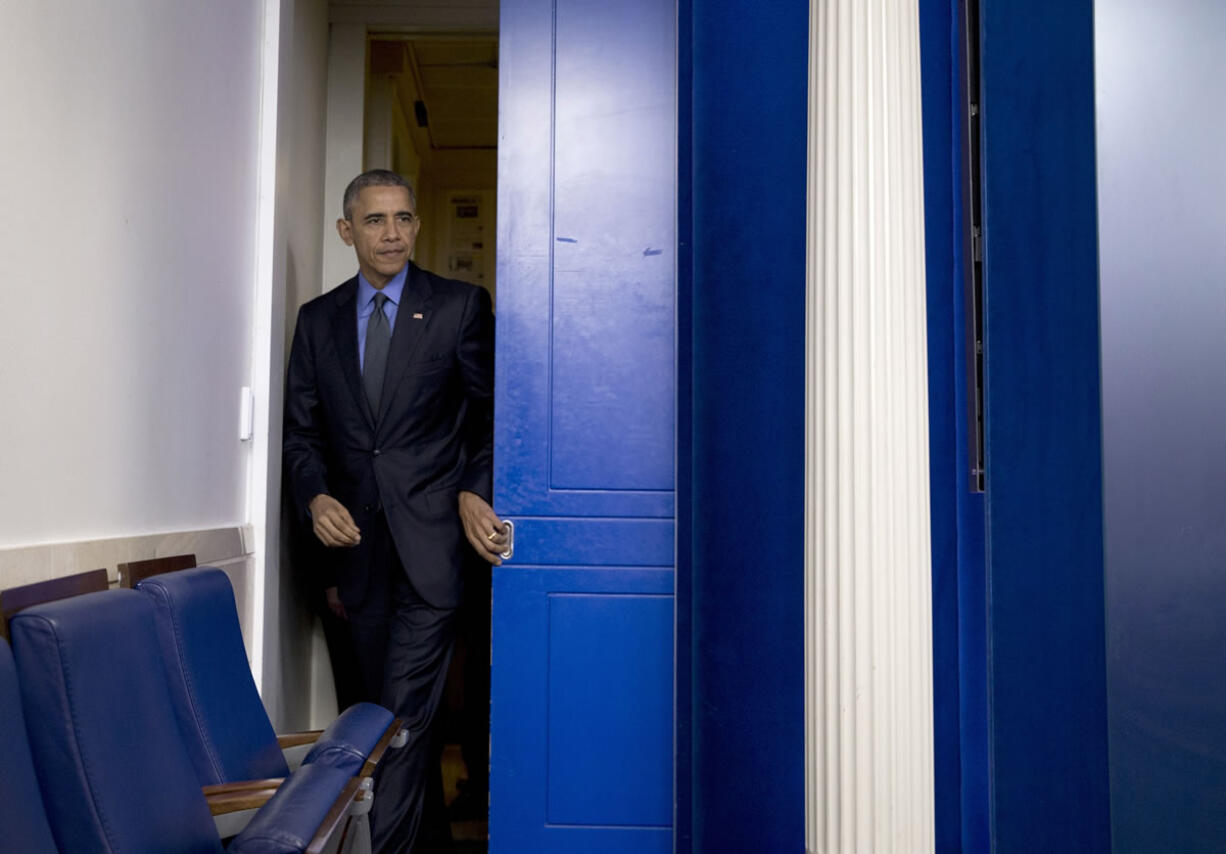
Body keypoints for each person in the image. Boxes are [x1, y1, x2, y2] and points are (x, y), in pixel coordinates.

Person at [283, 169, 505, 853]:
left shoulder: (459, 306)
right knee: (381, 715)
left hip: (435, 547)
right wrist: (315, 494)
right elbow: (301, 431)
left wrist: (474, 485)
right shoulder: (317, 320)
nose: (392, 233)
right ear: (347, 230)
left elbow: (494, 415)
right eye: (376, 220)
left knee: (398, 722)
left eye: (404, 218)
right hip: (355, 555)